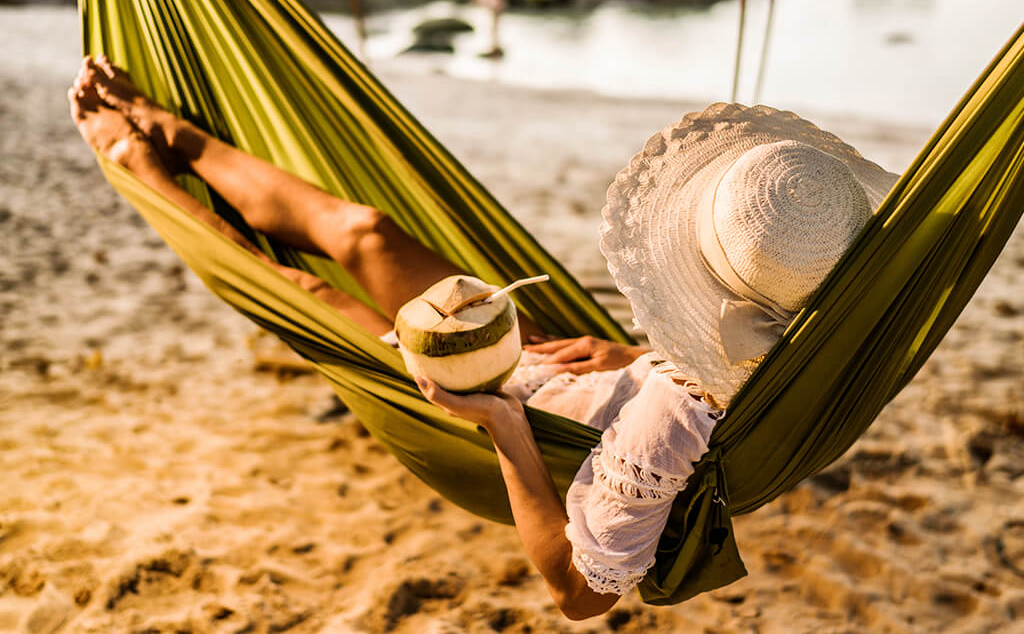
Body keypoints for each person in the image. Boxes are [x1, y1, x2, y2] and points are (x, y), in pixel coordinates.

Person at [70, 56, 897, 620]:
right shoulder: (825, 314)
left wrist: (501, 422)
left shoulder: (668, 426)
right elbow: (719, 382)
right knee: (366, 232)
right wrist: (638, 358)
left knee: (309, 290)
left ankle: (136, 164)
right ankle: (172, 132)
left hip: (512, 402)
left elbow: (582, 595)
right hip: (568, 367)